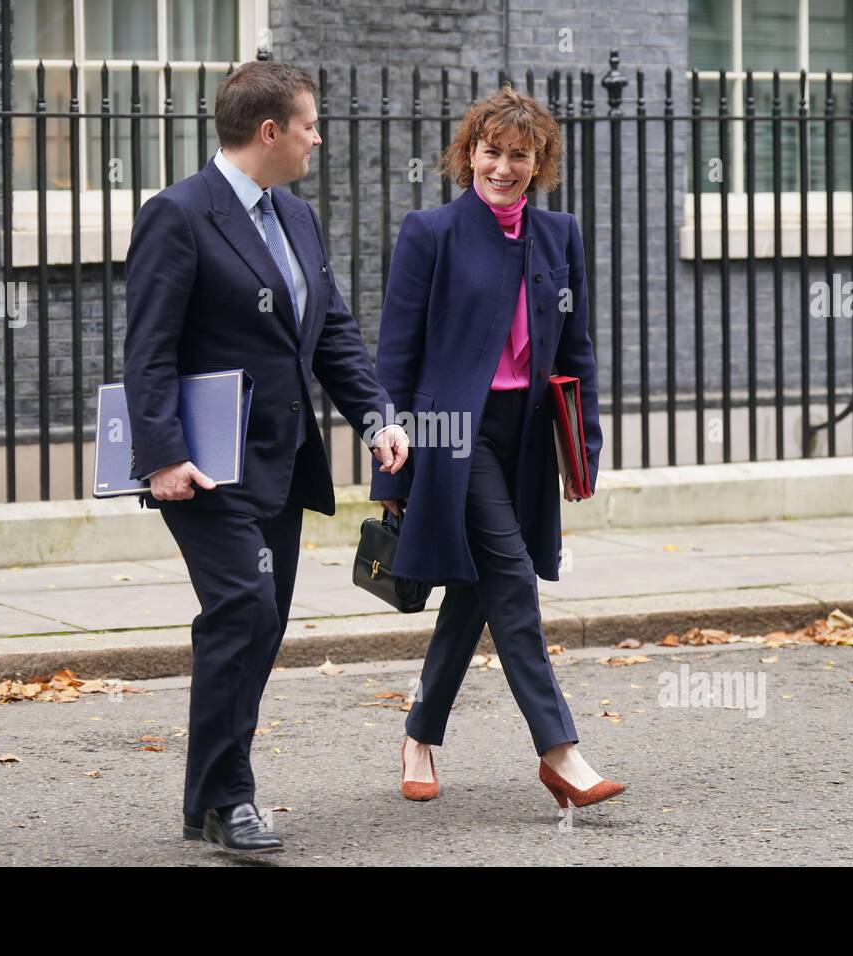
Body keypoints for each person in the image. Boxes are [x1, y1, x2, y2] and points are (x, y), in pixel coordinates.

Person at [124, 61, 409, 853]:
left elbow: (333, 334)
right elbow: (147, 350)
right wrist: (161, 457)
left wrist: (375, 416)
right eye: (311, 125)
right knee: (242, 610)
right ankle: (231, 800)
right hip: (205, 467)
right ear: (271, 131)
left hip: (280, 463)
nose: (319, 138)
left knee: (262, 620)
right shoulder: (178, 215)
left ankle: (204, 798)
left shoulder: (297, 217)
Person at [370, 85, 625, 810]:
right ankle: (560, 751)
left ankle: (419, 733)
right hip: (456, 436)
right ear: (468, 154)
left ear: (539, 160)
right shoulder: (431, 233)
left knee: (477, 590)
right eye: (491, 151)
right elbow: (396, 355)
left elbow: (575, 352)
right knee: (512, 576)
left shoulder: (559, 235)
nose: (503, 167)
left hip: (529, 438)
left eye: (520, 154)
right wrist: (386, 464)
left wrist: (585, 449)